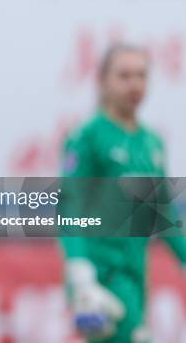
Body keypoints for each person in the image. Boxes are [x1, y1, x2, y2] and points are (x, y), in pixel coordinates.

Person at [60, 44, 186, 343]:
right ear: (103, 81)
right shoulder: (89, 137)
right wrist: (79, 268)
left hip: (134, 276)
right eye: (124, 75)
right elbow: (70, 203)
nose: (135, 84)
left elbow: (161, 213)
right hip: (99, 278)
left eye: (141, 75)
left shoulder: (151, 143)